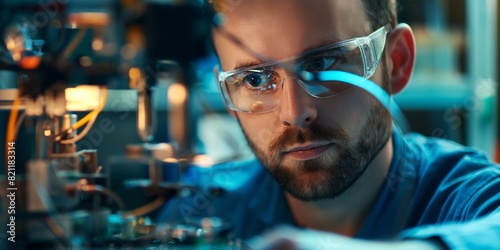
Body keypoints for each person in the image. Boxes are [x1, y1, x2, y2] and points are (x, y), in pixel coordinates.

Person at [157, 0, 500, 249]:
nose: (295, 112)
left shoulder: (463, 198)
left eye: (323, 62)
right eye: (256, 80)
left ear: (395, 62)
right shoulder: (202, 210)